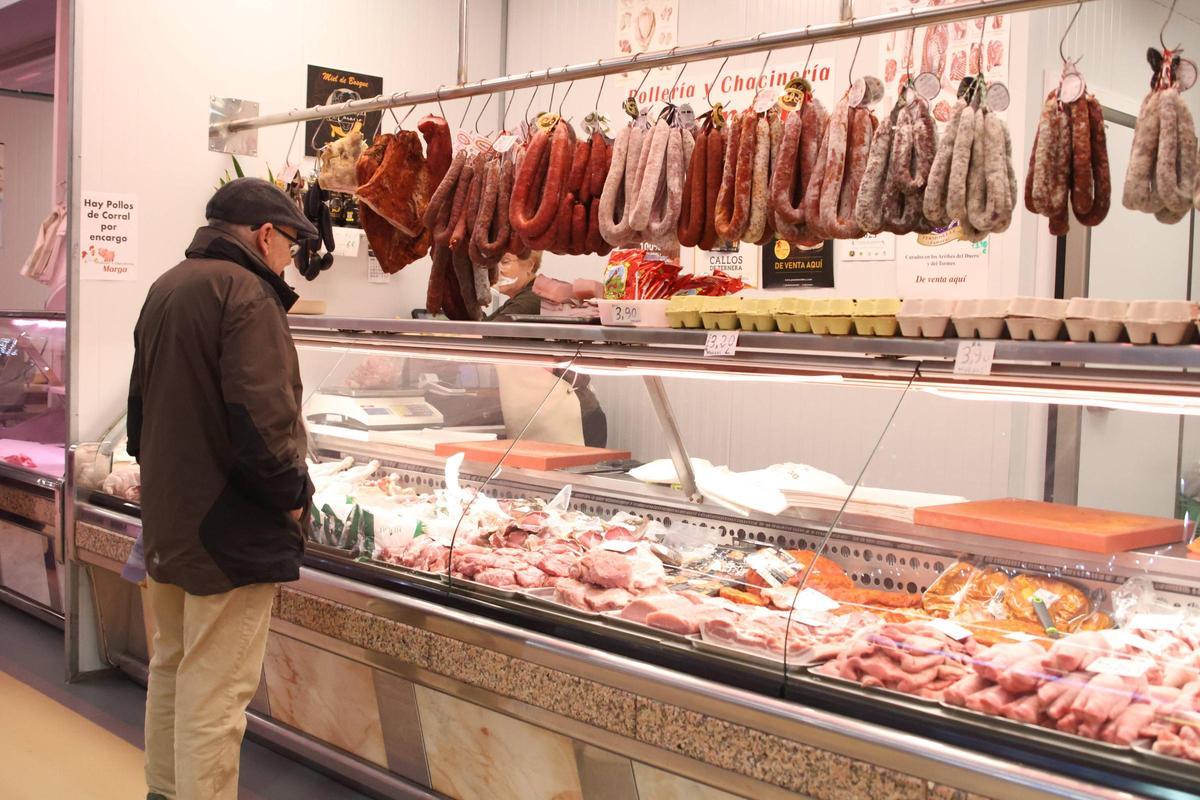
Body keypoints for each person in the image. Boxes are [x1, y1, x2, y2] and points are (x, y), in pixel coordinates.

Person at [127, 177, 319, 800]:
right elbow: (262, 423)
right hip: (229, 529)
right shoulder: (247, 294)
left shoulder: (168, 286)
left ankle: (163, 790)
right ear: (265, 235)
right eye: (291, 242)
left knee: (174, 671)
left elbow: (137, 419)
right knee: (217, 694)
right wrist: (293, 495)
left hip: (173, 517)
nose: (291, 257)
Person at [486, 250, 608, 448]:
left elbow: (488, 335)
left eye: (505, 261)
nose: (497, 269)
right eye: (494, 262)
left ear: (530, 265)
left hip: (571, 416)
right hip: (544, 415)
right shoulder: (518, 300)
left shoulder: (535, 298)